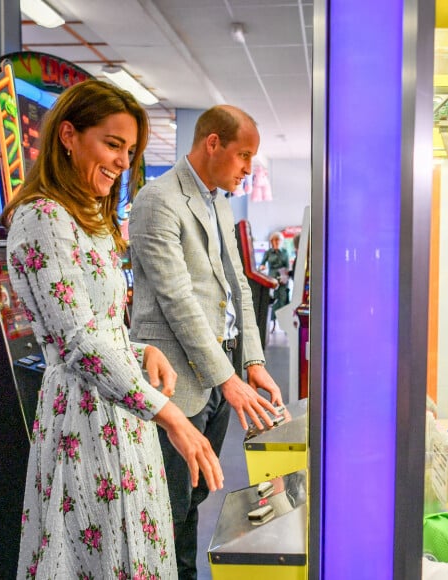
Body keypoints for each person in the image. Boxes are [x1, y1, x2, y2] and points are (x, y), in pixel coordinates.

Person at [1, 80, 223, 579]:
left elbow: (97, 324)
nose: (124, 161)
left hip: (121, 410)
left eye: (130, 150)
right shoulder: (41, 218)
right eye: (113, 144)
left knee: (132, 553)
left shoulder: (88, 219)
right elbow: (76, 341)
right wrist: (171, 415)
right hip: (83, 419)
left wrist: (140, 347)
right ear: (68, 135)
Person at [129, 104, 284, 579]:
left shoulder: (218, 201)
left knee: (194, 497)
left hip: (216, 377)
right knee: (167, 505)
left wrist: (252, 360)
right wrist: (228, 377)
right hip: (175, 378)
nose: (246, 169)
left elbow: (236, 284)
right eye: (243, 156)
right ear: (212, 143)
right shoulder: (158, 199)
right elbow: (178, 300)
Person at [259, 231, 290, 332]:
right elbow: (262, 264)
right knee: (272, 301)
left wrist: (284, 277)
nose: (276, 242)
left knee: (283, 301)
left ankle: (284, 325)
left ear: (281, 241)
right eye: (274, 240)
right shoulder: (268, 252)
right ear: (271, 241)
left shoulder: (285, 252)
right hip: (271, 280)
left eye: (278, 240)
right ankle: (272, 324)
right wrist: (261, 267)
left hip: (283, 279)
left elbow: (287, 266)